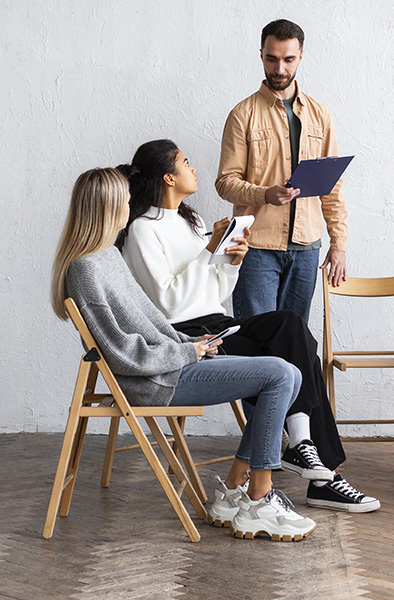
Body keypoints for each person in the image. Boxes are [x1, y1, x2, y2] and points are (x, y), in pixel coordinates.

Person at [51, 167, 318, 541]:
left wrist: (195, 342)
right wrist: (188, 352)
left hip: (172, 363)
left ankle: (234, 491)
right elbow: (122, 354)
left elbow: (152, 324)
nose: (131, 205)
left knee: (288, 372)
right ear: (109, 206)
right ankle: (257, 497)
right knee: (280, 373)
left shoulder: (107, 258)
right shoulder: (85, 270)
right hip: (154, 381)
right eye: (126, 200)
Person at [116, 139, 379, 514]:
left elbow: (215, 293)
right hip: (186, 336)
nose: (194, 169)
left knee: (290, 328)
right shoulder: (143, 230)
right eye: (186, 163)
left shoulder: (193, 222)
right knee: (294, 355)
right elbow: (169, 302)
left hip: (216, 322)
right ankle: (322, 477)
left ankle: (301, 445)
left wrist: (230, 263)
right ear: (168, 177)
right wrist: (210, 253)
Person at [216, 18, 349, 323]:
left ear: (300, 57)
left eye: (288, 60)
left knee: (294, 341)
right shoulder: (242, 115)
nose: (279, 70)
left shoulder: (320, 115)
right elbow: (225, 182)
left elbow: (333, 186)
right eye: (271, 59)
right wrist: (265, 194)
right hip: (257, 246)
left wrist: (338, 245)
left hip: (306, 248)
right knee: (256, 340)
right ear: (261, 55)